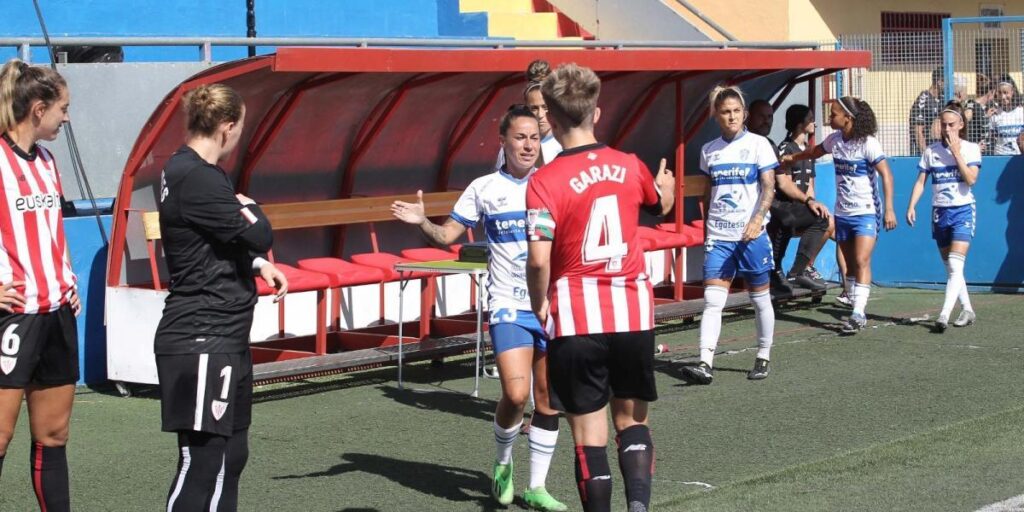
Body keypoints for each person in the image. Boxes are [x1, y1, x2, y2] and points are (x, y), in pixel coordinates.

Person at [392, 106, 568, 511]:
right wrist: (422, 221)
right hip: (507, 304)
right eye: (520, 137)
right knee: (515, 392)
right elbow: (447, 235)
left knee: (548, 401)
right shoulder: (484, 187)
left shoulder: (553, 184)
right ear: (503, 141)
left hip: (552, 306)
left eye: (533, 137)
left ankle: (537, 487)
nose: (528, 145)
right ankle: (503, 462)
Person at [525, 63, 674, 512]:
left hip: (576, 316)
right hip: (632, 311)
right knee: (630, 422)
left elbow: (537, 259)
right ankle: (640, 506)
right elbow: (658, 205)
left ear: (548, 118)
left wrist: (539, 304)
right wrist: (665, 190)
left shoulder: (543, 182)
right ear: (598, 111)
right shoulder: (629, 165)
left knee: (589, 435)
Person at [156, 83, 288, 512]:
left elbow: (215, 242)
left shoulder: (202, 174)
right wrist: (253, 208)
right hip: (201, 334)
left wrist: (256, 264)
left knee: (233, 454)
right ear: (227, 127)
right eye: (241, 127)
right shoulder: (194, 175)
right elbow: (259, 232)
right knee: (204, 460)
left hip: (226, 334)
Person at [0, 58, 82, 512]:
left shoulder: (48, 161)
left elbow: (52, 232)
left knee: (53, 436)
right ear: (37, 108)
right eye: (62, 108)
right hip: (12, 318)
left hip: (56, 314)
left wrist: (68, 280)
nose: (65, 118)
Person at [680, 86, 802, 386]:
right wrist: (709, 225)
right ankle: (705, 363)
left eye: (736, 111)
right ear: (716, 116)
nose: (731, 116)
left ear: (744, 114)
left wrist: (757, 219)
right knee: (712, 301)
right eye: (725, 111)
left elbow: (769, 186)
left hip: (751, 236)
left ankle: (763, 355)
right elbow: (710, 193)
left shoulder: (759, 145)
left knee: (759, 298)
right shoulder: (710, 150)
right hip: (720, 237)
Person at [783, 97, 897, 334]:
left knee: (862, 260)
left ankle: (858, 313)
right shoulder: (835, 140)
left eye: (834, 114)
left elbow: (886, 174)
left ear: (849, 118)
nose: (829, 118)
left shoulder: (868, 143)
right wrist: (793, 158)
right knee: (850, 266)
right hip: (843, 212)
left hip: (866, 212)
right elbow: (814, 152)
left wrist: (889, 209)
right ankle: (855, 308)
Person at [906, 102, 980, 331]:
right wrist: (912, 206)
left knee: (956, 267)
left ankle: (943, 316)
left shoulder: (970, 149)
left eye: (951, 124)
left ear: (961, 124)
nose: (946, 129)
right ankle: (968, 309)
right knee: (951, 269)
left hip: (962, 210)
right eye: (943, 124)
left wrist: (957, 153)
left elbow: (971, 179)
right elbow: (921, 182)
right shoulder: (931, 152)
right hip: (940, 212)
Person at [768, 104, 831, 293]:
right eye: (811, 119)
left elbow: (810, 186)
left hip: (801, 208)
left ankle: (847, 286)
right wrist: (805, 204)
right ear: (800, 123)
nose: (814, 123)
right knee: (829, 223)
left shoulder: (808, 151)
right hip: (786, 210)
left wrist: (812, 203)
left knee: (841, 231)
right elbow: (784, 184)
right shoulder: (786, 149)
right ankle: (800, 269)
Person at [496, 60, 562, 170]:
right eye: (534, 108)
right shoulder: (512, 146)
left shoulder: (565, 144)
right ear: (526, 107)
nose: (540, 115)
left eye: (545, 107)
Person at [909, 68, 945, 156]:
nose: (950, 85)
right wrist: (926, 155)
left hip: (940, 151)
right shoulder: (924, 99)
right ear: (939, 82)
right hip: (927, 151)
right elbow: (918, 131)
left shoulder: (943, 98)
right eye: (947, 82)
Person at [986, 75, 1024, 155]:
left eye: (1006, 93)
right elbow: (989, 138)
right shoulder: (994, 114)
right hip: (999, 157)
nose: (1003, 97)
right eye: (1000, 93)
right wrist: (986, 119)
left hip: (1018, 158)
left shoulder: (1021, 112)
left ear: (1012, 92)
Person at [965, 74, 994, 152]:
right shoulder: (971, 103)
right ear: (990, 93)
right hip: (975, 149)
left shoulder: (988, 107)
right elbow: (966, 119)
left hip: (988, 150)